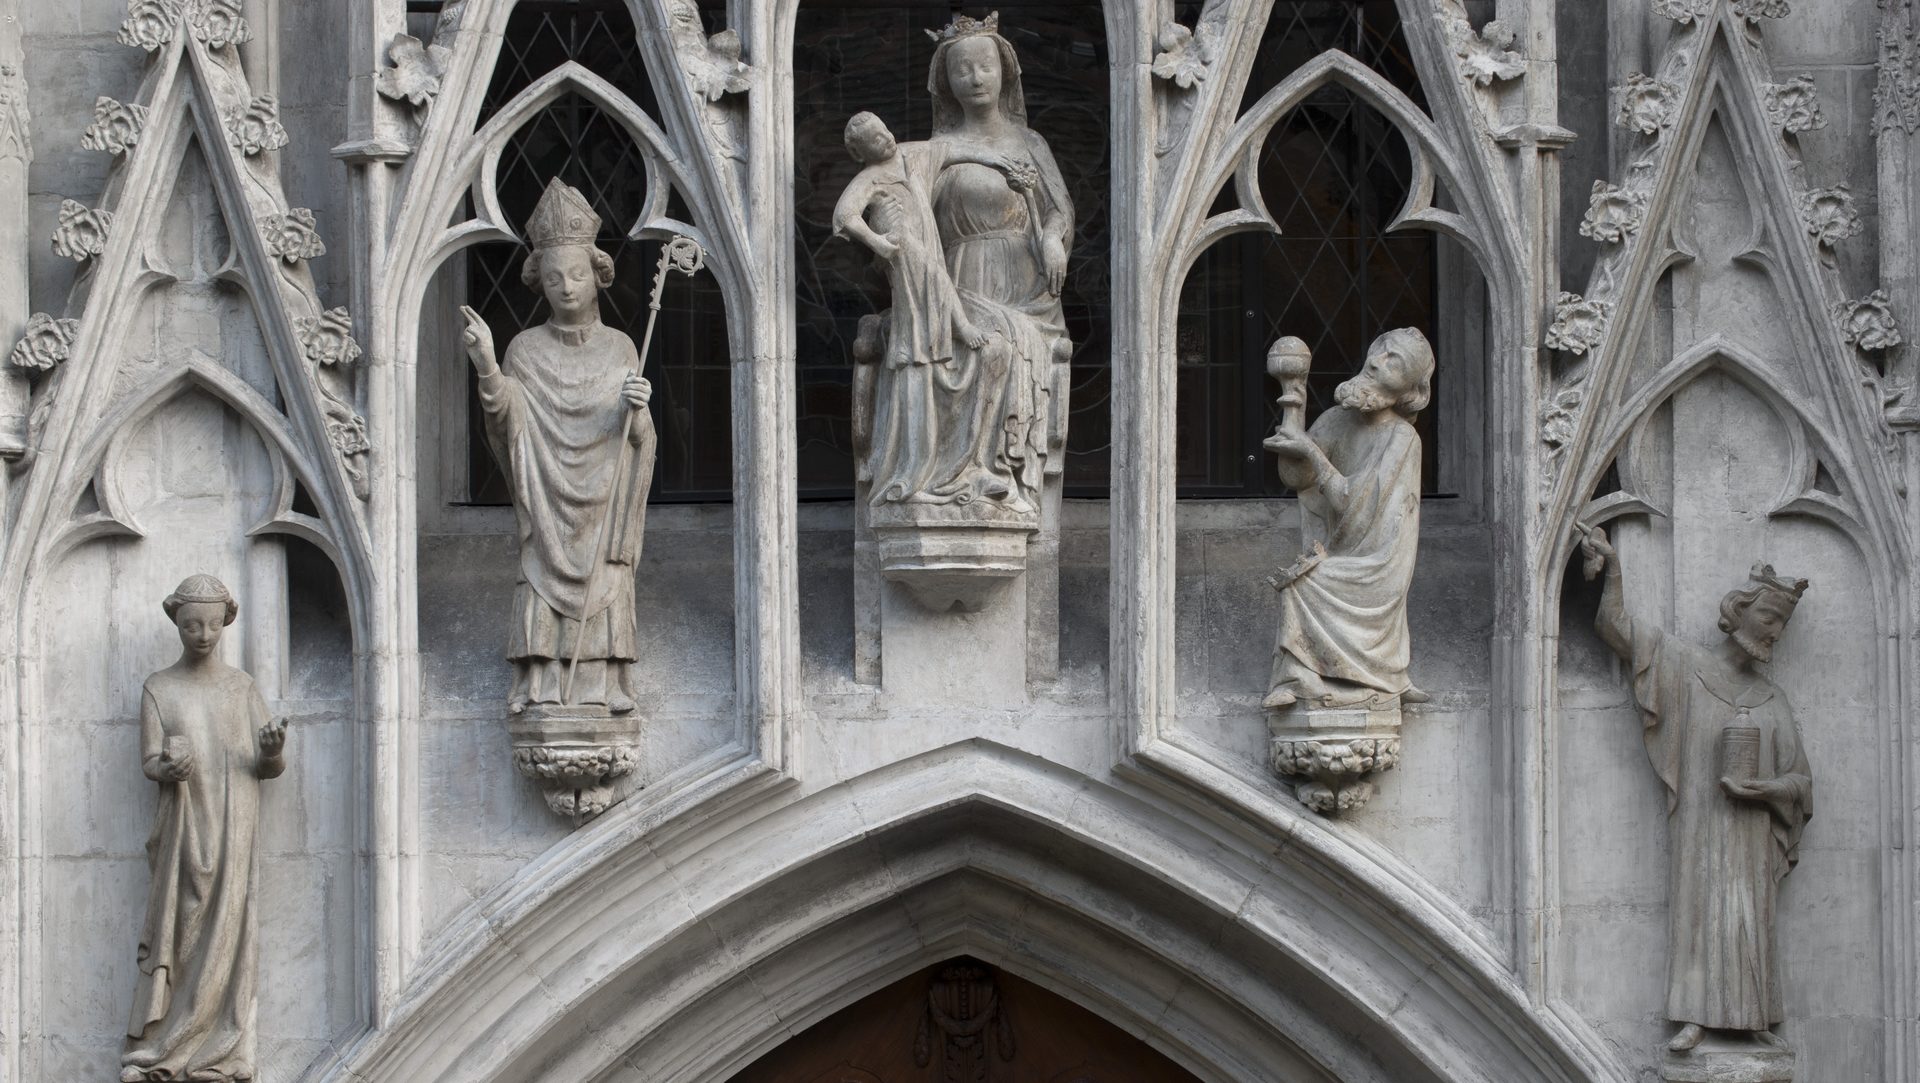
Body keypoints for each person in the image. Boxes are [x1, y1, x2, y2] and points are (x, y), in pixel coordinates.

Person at [1579, 526, 1813, 1054]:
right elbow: (1617, 628)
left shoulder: (1773, 701)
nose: (1774, 632)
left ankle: (1755, 1018)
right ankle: (1695, 1017)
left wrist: (1765, 789)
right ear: (1738, 611)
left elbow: (1802, 782)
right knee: (1701, 914)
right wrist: (1613, 570)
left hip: (1753, 833)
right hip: (1702, 824)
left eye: (1782, 624)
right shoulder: (1685, 666)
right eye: (1769, 618)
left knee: (1750, 923)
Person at [848, 12, 1075, 514]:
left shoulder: (1030, 144)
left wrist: (1055, 239)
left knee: (1009, 350)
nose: (974, 78)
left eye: (984, 66)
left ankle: (997, 480)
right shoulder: (931, 152)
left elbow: (1057, 209)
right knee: (953, 352)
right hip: (954, 275)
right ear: (946, 84)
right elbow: (896, 206)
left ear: (1005, 73)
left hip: (1025, 279)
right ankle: (944, 484)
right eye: (961, 70)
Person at [460, 178, 655, 715]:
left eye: (575, 275)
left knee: (607, 577)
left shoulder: (621, 346)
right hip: (546, 499)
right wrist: (487, 365)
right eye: (552, 278)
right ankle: (540, 680)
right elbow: (507, 420)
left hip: (602, 503)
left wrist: (636, 414)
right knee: (541, 569)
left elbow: (641, 441)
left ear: (597, 276)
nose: (566, 287)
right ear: (538, 284)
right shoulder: (524, 348)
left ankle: (609, 681)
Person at [123, 575, 287, 1083]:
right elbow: (150, 760)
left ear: (226, 622)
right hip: (184, 829)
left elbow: (268, 766)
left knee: (227, 930)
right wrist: (166, 768)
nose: (203, 634)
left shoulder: (241, 688)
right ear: (177, 622)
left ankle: (218, 1049)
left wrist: (272, 748)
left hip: (234, 825)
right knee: (182, 927)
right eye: (192, 624)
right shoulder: (159, 687)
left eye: (213, 624)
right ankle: (163, 1042)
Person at [1262, 328, 1434, 711]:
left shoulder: (1402, 438)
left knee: (1308, 582)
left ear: (1409, 390)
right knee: (1302, 579)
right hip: (1342, 549)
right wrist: (1296, 404)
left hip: (1377, 566)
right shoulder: (1336, 421)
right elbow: (1295, 479)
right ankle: (1299, 678)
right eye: (1379, 351)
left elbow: (1354, 502)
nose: (1376, 362)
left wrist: (1310, 451)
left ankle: (1383, 676)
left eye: (1395, 362)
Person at [834, 111, 986, 374]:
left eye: (885, 131)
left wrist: (994, 158)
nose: (886, 139)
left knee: (925, 287)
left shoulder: (910, 153)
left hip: (924, 238)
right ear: (860, 153)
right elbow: (844, 215)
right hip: (899, 241)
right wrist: (877, 242)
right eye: (876, 141)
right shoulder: (868, 178)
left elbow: (950, 151)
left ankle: (916, 344)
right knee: (936, 276)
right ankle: (961, 327)